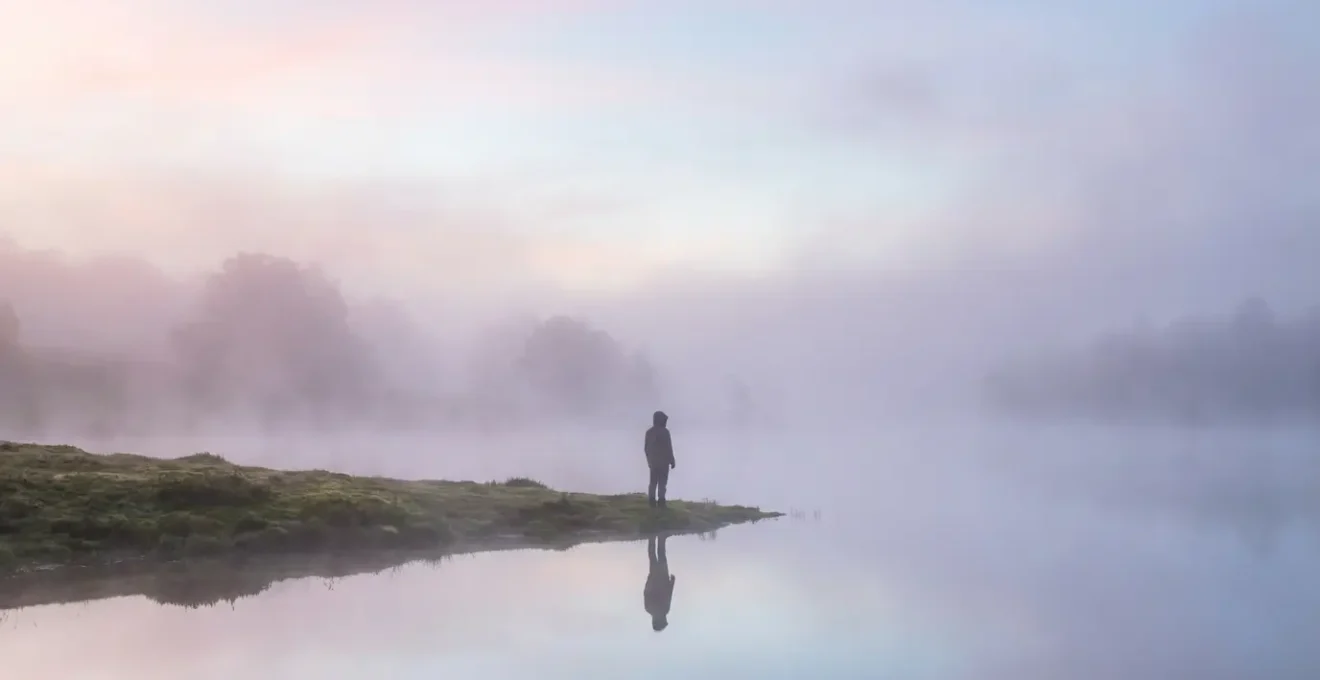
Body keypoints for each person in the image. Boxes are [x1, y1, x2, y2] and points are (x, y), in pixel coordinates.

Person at [644, 533, 676, 631]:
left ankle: (658, 537)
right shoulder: (649, 609)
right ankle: (653, 537)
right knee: (654, 556)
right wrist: (649, 580)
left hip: (660, 579)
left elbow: (668, 595)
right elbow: (646, 592)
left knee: (660, 556)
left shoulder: (663, 610)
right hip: (657, 579)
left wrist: (672, 582)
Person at [644, 410, 676, 507]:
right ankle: (661, 501)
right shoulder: (665, 432)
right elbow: (668, 447)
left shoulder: (649, 432)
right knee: (662, 482)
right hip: (663, 462)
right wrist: (672, 460)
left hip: (653, 462)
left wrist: (649, 460)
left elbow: (646, 448)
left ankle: (652, 501)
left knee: (653, 482)